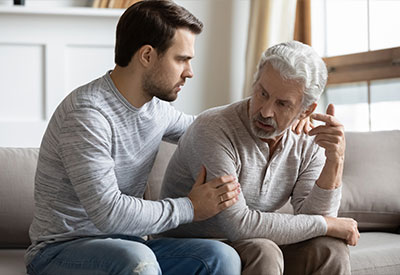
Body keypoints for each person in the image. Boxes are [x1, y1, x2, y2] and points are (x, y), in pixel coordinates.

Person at [25, 1, 243, 274]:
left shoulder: (157, 110)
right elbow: (108, 212)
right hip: (59, 252)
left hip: (130, 245)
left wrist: (275, 112)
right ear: (148, 56)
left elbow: (209, 128)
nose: (189, 72)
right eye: (181, 59)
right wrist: (189, 207)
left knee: (221, 257)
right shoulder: (87, 114)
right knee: (136, 258)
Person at [160, 41, 361, 275]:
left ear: (305, 110)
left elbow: (317, 220)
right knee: (264, 250)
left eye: (282, 104)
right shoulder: (215, 129)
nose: (265, 111)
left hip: (248, 243)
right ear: (254, 83)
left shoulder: (309, 139)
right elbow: (237, 224)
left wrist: (335, 159)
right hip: (189, 249)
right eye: (262, 93)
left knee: (330, 248)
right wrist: (326, 224)